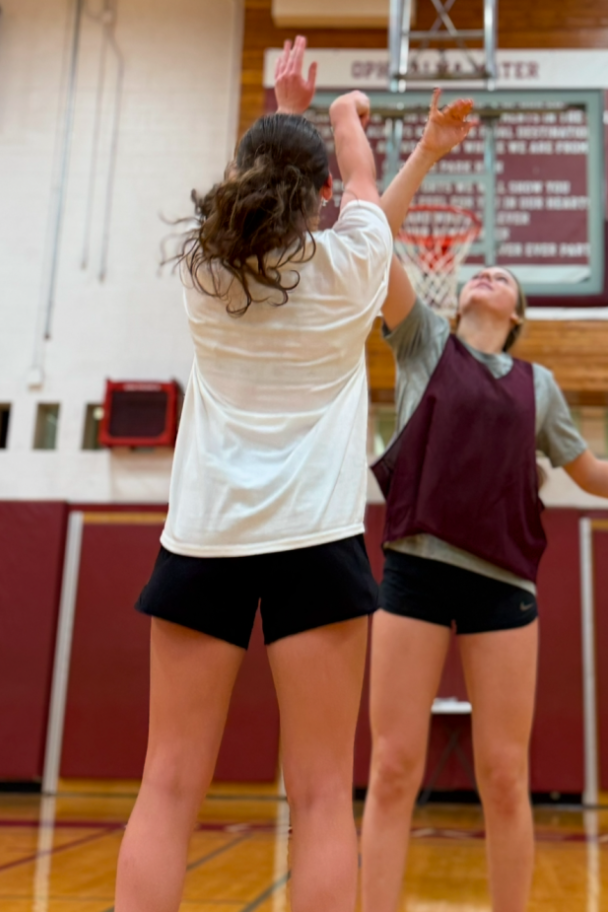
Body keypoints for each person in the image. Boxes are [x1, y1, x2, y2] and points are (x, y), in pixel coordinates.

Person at [114, 45, 474, 912]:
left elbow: (278, 181)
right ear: (319, 194)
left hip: (204, 540)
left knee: (166, 787)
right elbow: (361, 186)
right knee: (318, 798)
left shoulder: (206, 269)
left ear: (242, 176)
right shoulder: (352, 267)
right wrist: (343, 116)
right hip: (316, 543)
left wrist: (288, 108)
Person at [360, 210, 608, 912]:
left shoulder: (539, 385)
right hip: (417, 570)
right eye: (478, 271)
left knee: (503, 773)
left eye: (503, 276)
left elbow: (589, 473)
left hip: (504, 583)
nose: (486, 273)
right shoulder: (423, 341)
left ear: (517, 312)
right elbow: (378, 251)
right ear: (456, 297)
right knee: (393, 765)